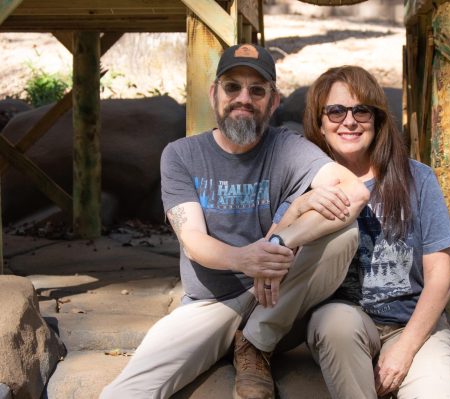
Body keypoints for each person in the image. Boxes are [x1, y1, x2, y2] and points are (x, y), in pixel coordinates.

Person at [100, 45, 369, 399]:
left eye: (257, 90)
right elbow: (193, 239)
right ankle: (247, 339)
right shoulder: (182, 155)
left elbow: (354, 192)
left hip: (278, 299)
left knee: (341, 233)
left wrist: (279, 241)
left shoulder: (287, 148)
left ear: (273, 102)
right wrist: (244, 259)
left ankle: (256, 342)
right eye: (232, 87)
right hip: (211, 302)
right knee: (128, 391)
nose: (244, 98)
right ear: (214, 94)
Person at [275, 65, 450, 399]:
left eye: (361, 110)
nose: (349, 121)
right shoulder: (303, 184)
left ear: (377, 119)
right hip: (345, 323)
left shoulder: (418, 178)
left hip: (415, 325)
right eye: (335, 111)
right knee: (334, 322)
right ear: (318, 122)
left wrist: (404, 349)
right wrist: (300, 207)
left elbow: (441, 275)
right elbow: (275, 256)